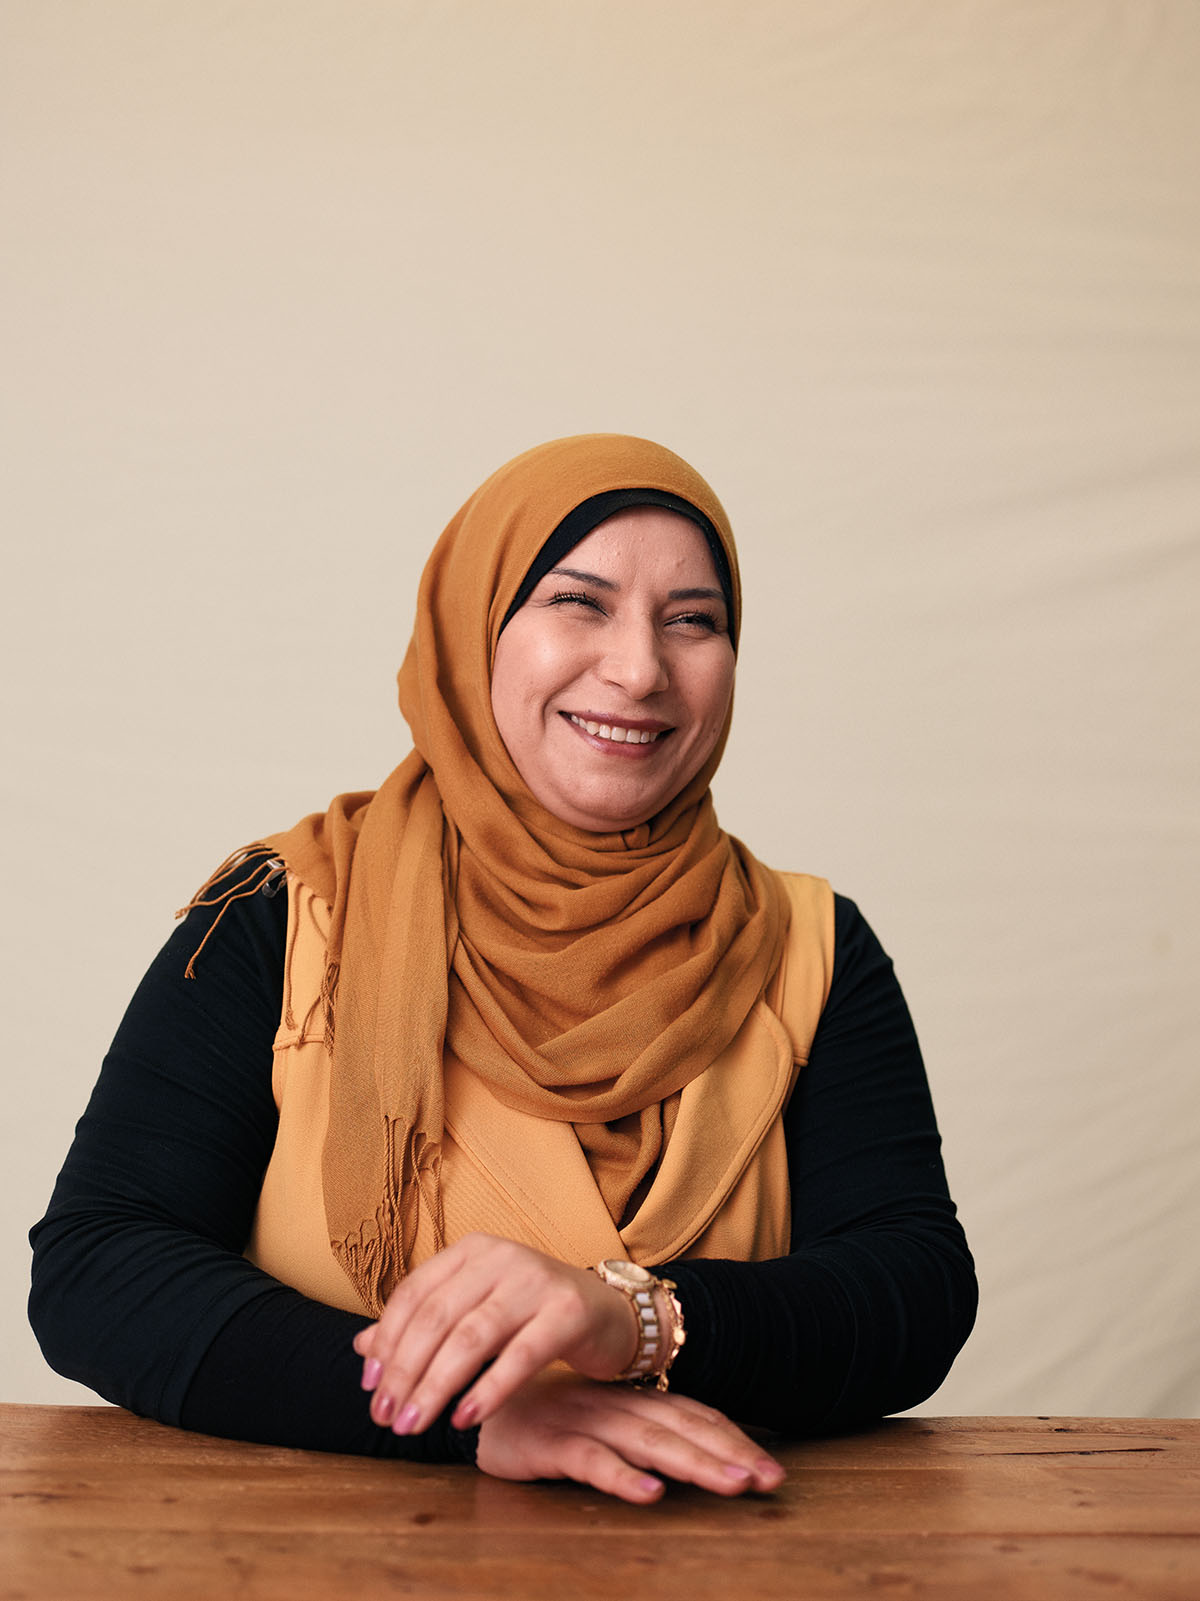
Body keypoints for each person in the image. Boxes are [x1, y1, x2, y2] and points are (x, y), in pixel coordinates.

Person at [30, 433, 976, 1505]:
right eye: (579, 601)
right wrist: (470, 1411)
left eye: (693, 619)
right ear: (473, 627)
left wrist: (629, 1315)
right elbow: (100, 1269)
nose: (639, 667)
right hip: (315, 1558)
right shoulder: (286, 914)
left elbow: (915, 1288)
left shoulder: (808, 945)